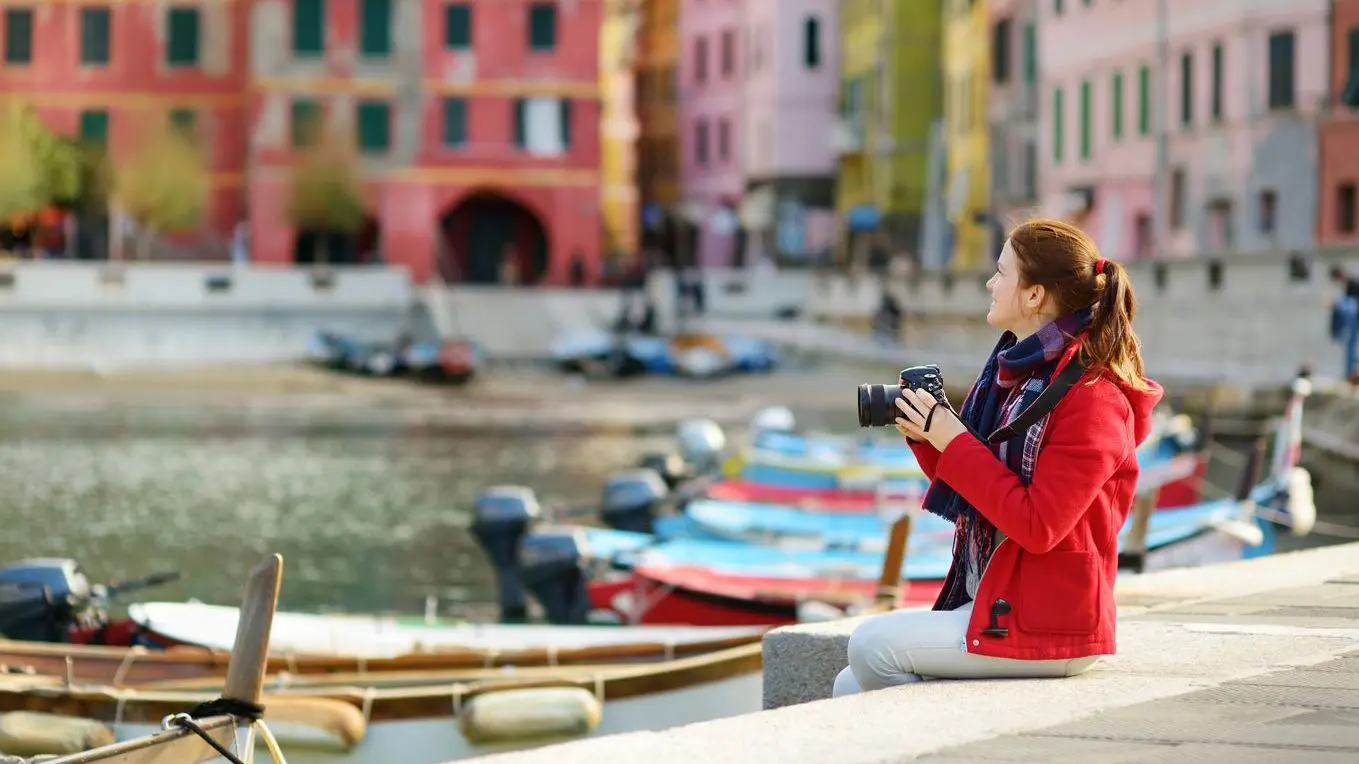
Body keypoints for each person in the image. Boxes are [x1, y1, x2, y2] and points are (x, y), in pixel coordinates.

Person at [831, 218, 1163, 696]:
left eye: (1001, 272)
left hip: (1054, 623)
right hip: (1001, 597)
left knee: (870, 646)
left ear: (1033, 296)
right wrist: (931, 438)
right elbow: (983, 490)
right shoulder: (1019, 380)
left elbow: (1038, 524)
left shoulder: (1093, 398)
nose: (990, 283)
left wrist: (954, 440)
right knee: (848, 684)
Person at [1328, 265, 1359, 382]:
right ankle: (1351, 371)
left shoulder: (1353, 283)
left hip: (1354, 318)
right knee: (1352, 344)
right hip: (1354, 319)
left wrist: (1337, 305)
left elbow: (1350, 305)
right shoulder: (1351, 283)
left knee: (1352, 344)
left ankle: (1351, 371)